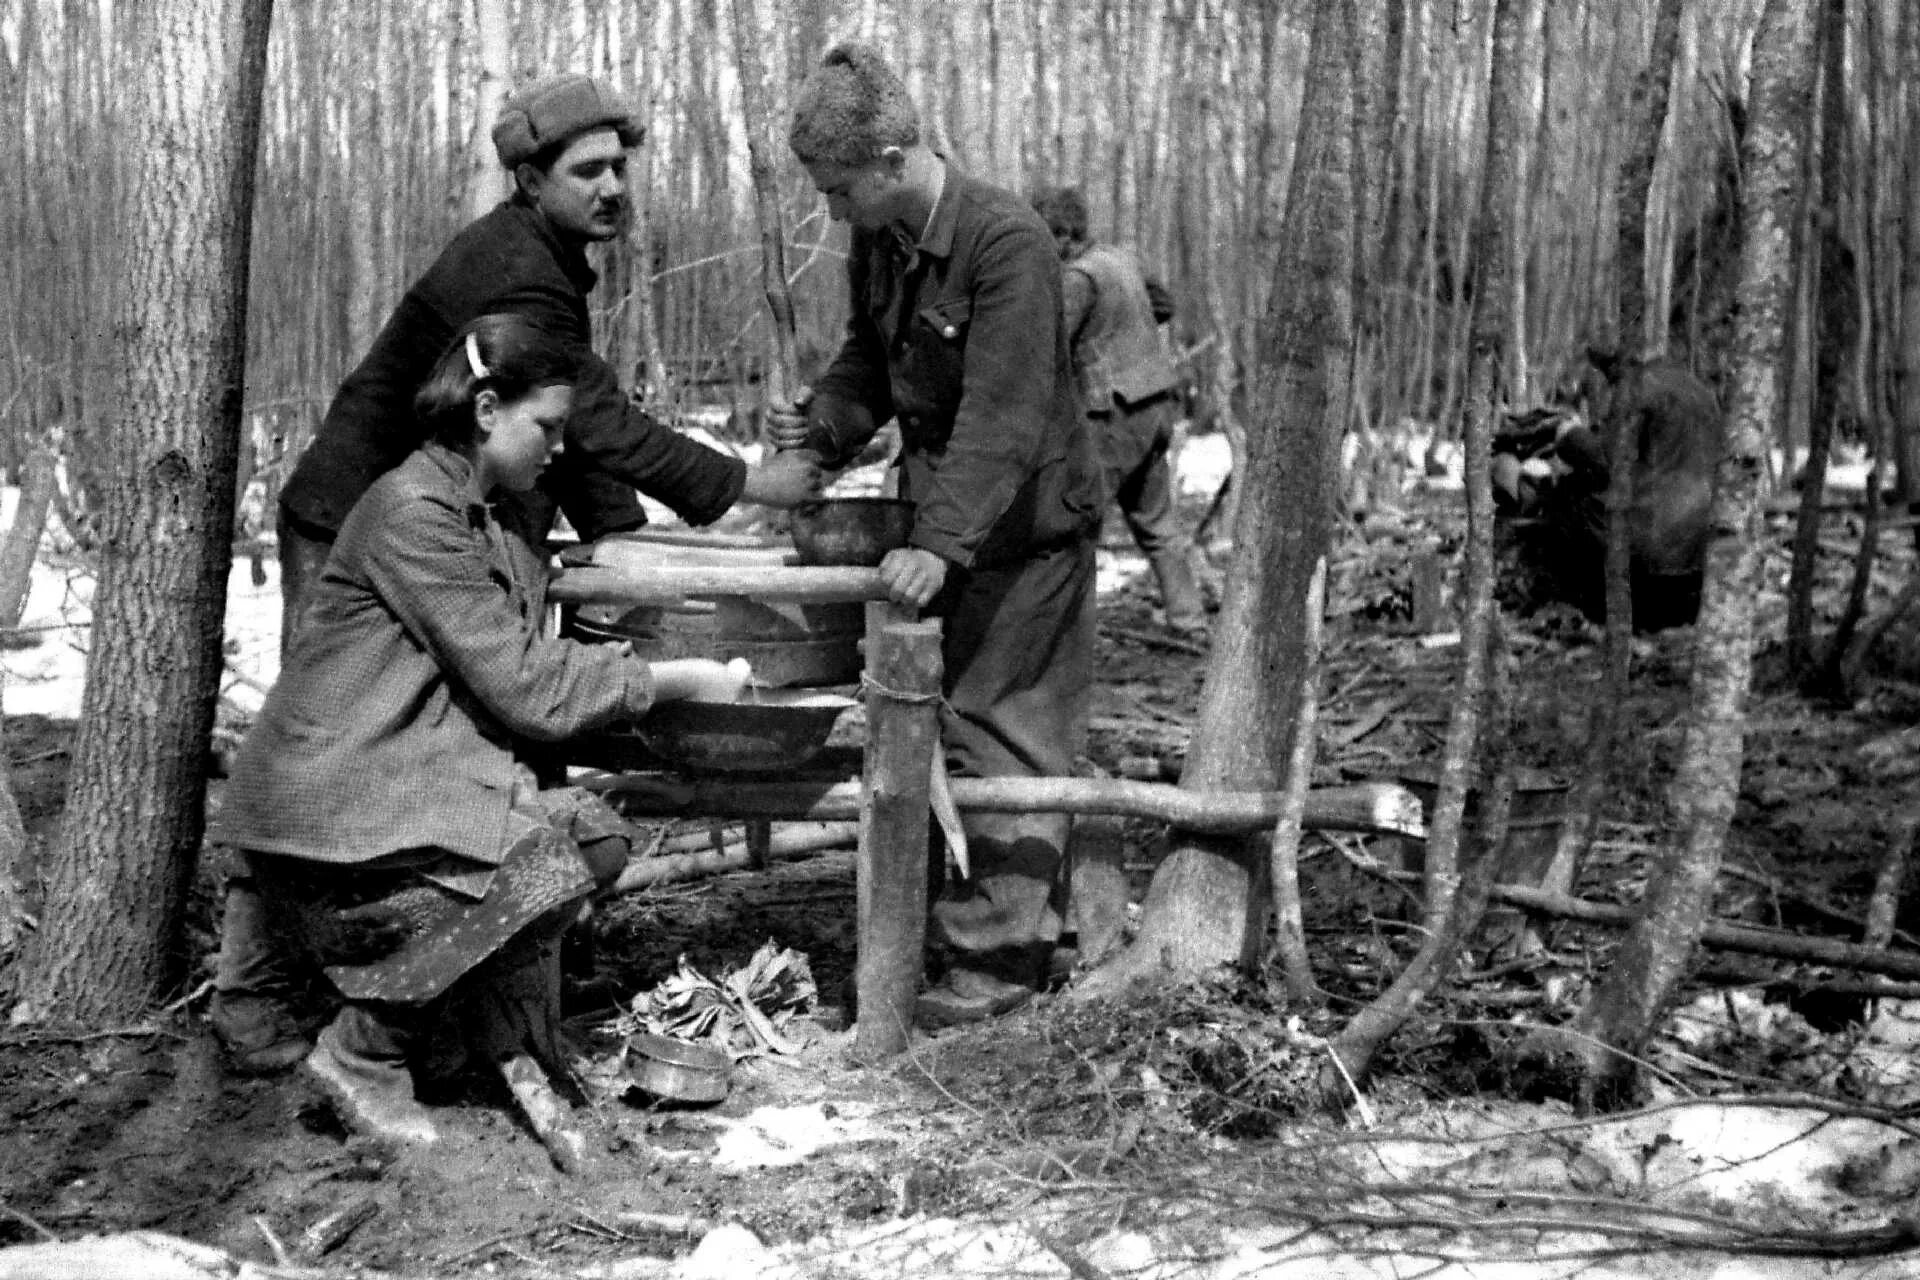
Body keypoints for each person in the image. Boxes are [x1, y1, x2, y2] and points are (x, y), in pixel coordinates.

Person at [211, 72, 821, 1071]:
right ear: (530, 178)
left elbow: (562, 431)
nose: (614, 186)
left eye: (621, 165)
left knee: (476, 750)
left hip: (460, 515)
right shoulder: (518, 273)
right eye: (588, 171)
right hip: (366, 514)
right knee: (324, 757)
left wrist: (617, 541)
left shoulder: (549, 257)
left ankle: (485, 965)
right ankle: (267, 996)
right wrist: (751, 480)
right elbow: (591, 419)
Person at [212, 315, 749, 1146]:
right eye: (547, 427)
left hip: (376, 798)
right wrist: (673, 679)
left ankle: (412, 1018)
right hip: (329, 815)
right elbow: (528, 687)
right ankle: (363, 1051)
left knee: (574, 837)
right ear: (486, 409)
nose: (559, 448)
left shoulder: (480, 510)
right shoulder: (412, 513)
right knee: (568, 849)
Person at [770, 44, 1103, 1027]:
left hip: (1025, 532)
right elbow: (868, 358)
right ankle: (996, 927)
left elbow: (1004, 416)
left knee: (1002, 728)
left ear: (890, 158)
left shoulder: (1008, 245)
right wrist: (824, 427)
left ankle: (1001, 966)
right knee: (946, 727)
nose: (831, 211)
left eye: (838, 189)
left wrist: (940, 543)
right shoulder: (887, 239)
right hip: (951, 524)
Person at [1031, 186, 1206, 634]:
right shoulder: (1121, 260)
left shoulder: (1078, 278)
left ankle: (1066, 634)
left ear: (1063, 236)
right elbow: (1163, 305)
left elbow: (1050, 344)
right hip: (1157, 406)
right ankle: (1188, 619)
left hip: (1113, 415)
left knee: (1075, 522)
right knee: (1158, 522)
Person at [1493, 351, 1722, 631]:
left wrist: (1567, 433)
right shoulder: (1697, 388)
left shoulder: (1638, 386)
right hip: (1694, 558)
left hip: (1649, 554)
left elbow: (1606, 463)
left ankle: (1569, 606)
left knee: (1564, 502)